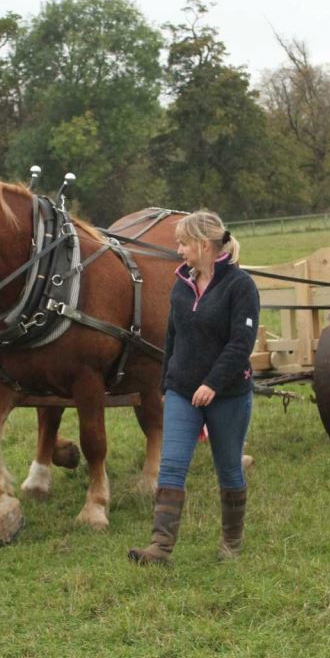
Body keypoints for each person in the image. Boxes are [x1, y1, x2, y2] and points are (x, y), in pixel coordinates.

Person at [129, 210, 260, 564]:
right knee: (171, 466)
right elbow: (173, 335)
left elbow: (240, 343)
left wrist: (213, 384)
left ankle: (231, 543)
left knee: (229, 466)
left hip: (228, 394)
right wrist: (168, 383)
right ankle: (160, 547)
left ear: (204, 245)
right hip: (182, 392)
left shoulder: (240, 286)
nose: (179, 250)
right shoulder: (182, 284)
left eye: (183, 244)